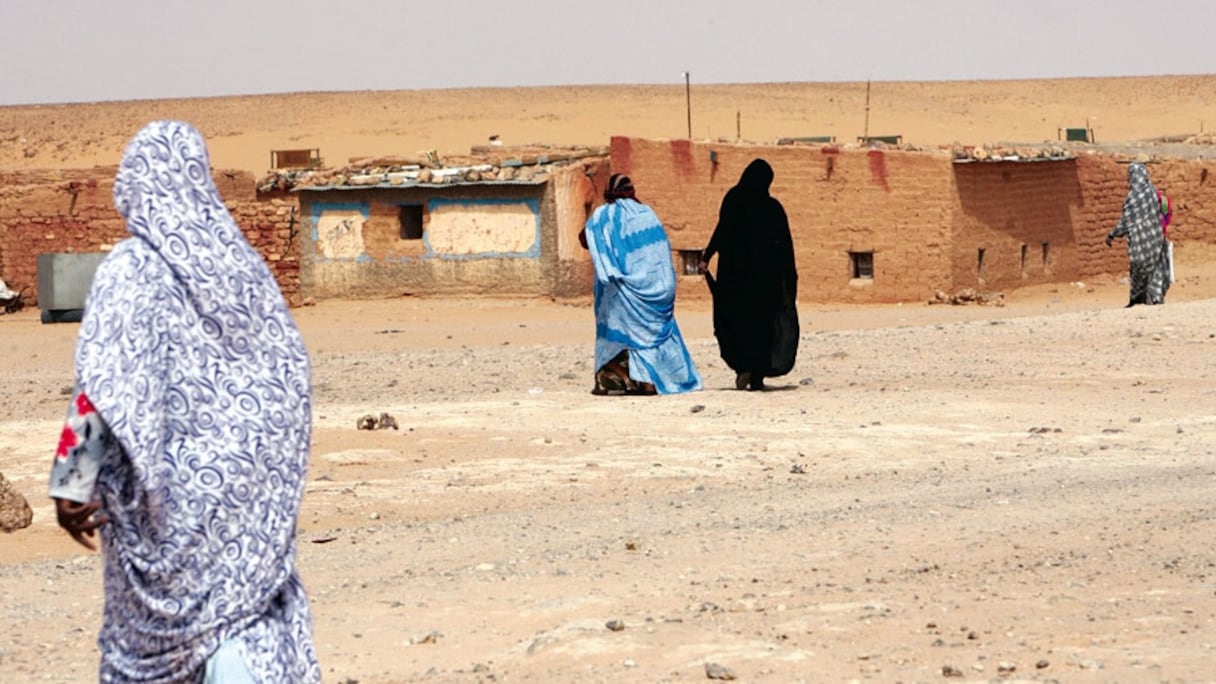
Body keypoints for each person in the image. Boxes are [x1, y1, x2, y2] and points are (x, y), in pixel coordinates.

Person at [49, 120, 320, 682]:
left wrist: (71, 483)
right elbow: (286, 375)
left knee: (156, 647)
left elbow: (102, 382)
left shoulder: (130, 270)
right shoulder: (243, 269)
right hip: (239, 505)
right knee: (242, 610)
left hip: (163, 508)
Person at [581, 174, 702, 395]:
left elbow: (584, 239)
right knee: (647, 337)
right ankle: (647, 382)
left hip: (620, 292)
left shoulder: (602, 216)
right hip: (655, 291)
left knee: (625, 335)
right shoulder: (647, 214)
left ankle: (628, 380)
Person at [698, 159, 799, 390]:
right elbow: (785, 248)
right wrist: (789, 279)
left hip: (734, 279)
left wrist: (707, 256)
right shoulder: (772, 208)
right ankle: (757, 376)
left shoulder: (734, 200)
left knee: (736, 323)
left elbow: (722, 231)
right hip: (764, 282)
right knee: (762, 327)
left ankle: (743, 367)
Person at [1106, 162, 1169, 306]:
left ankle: (1137, 299)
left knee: (1138, 268)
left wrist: (1112, 234)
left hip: (1140, 241)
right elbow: (1162, 214)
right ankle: (1154, 298)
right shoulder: (1154, 192)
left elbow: (1126, 220)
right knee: (1155, 268)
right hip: (1156, 238)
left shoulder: (1133, 196)